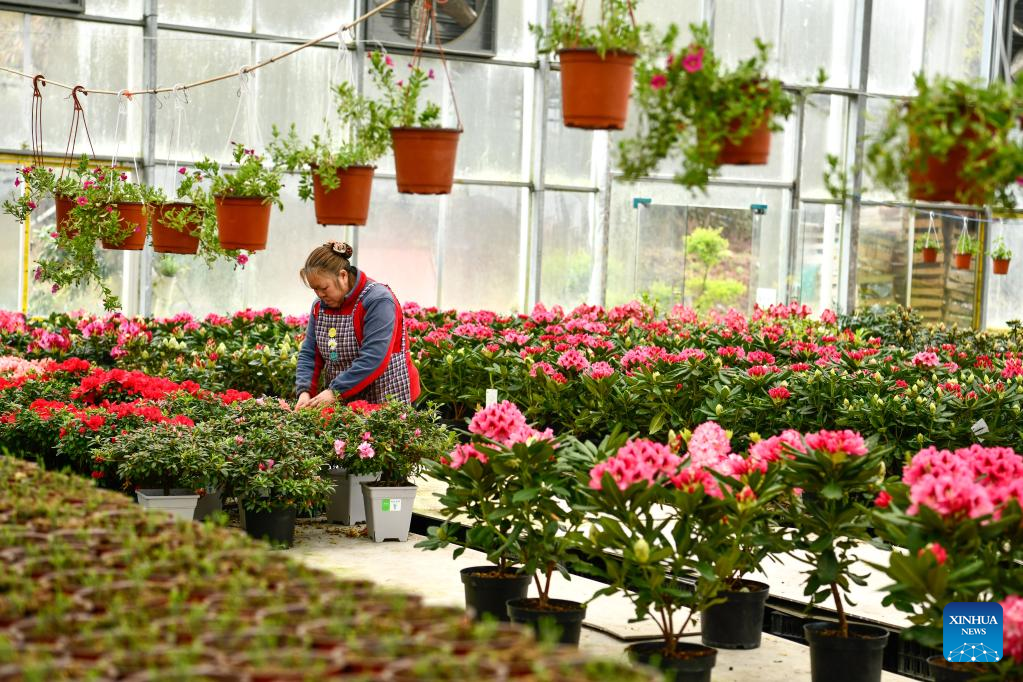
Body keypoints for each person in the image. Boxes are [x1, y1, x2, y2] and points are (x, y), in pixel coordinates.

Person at [295, 241, 420, 408]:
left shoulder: (377, 300)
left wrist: (335, 391)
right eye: (315, 289)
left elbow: (374, 357)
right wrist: (304, 391)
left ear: (343, 276)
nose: (320, 294)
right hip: (344, 396)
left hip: (386, 395)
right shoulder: (320, 307)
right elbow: (310, 352)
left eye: (324, 288)